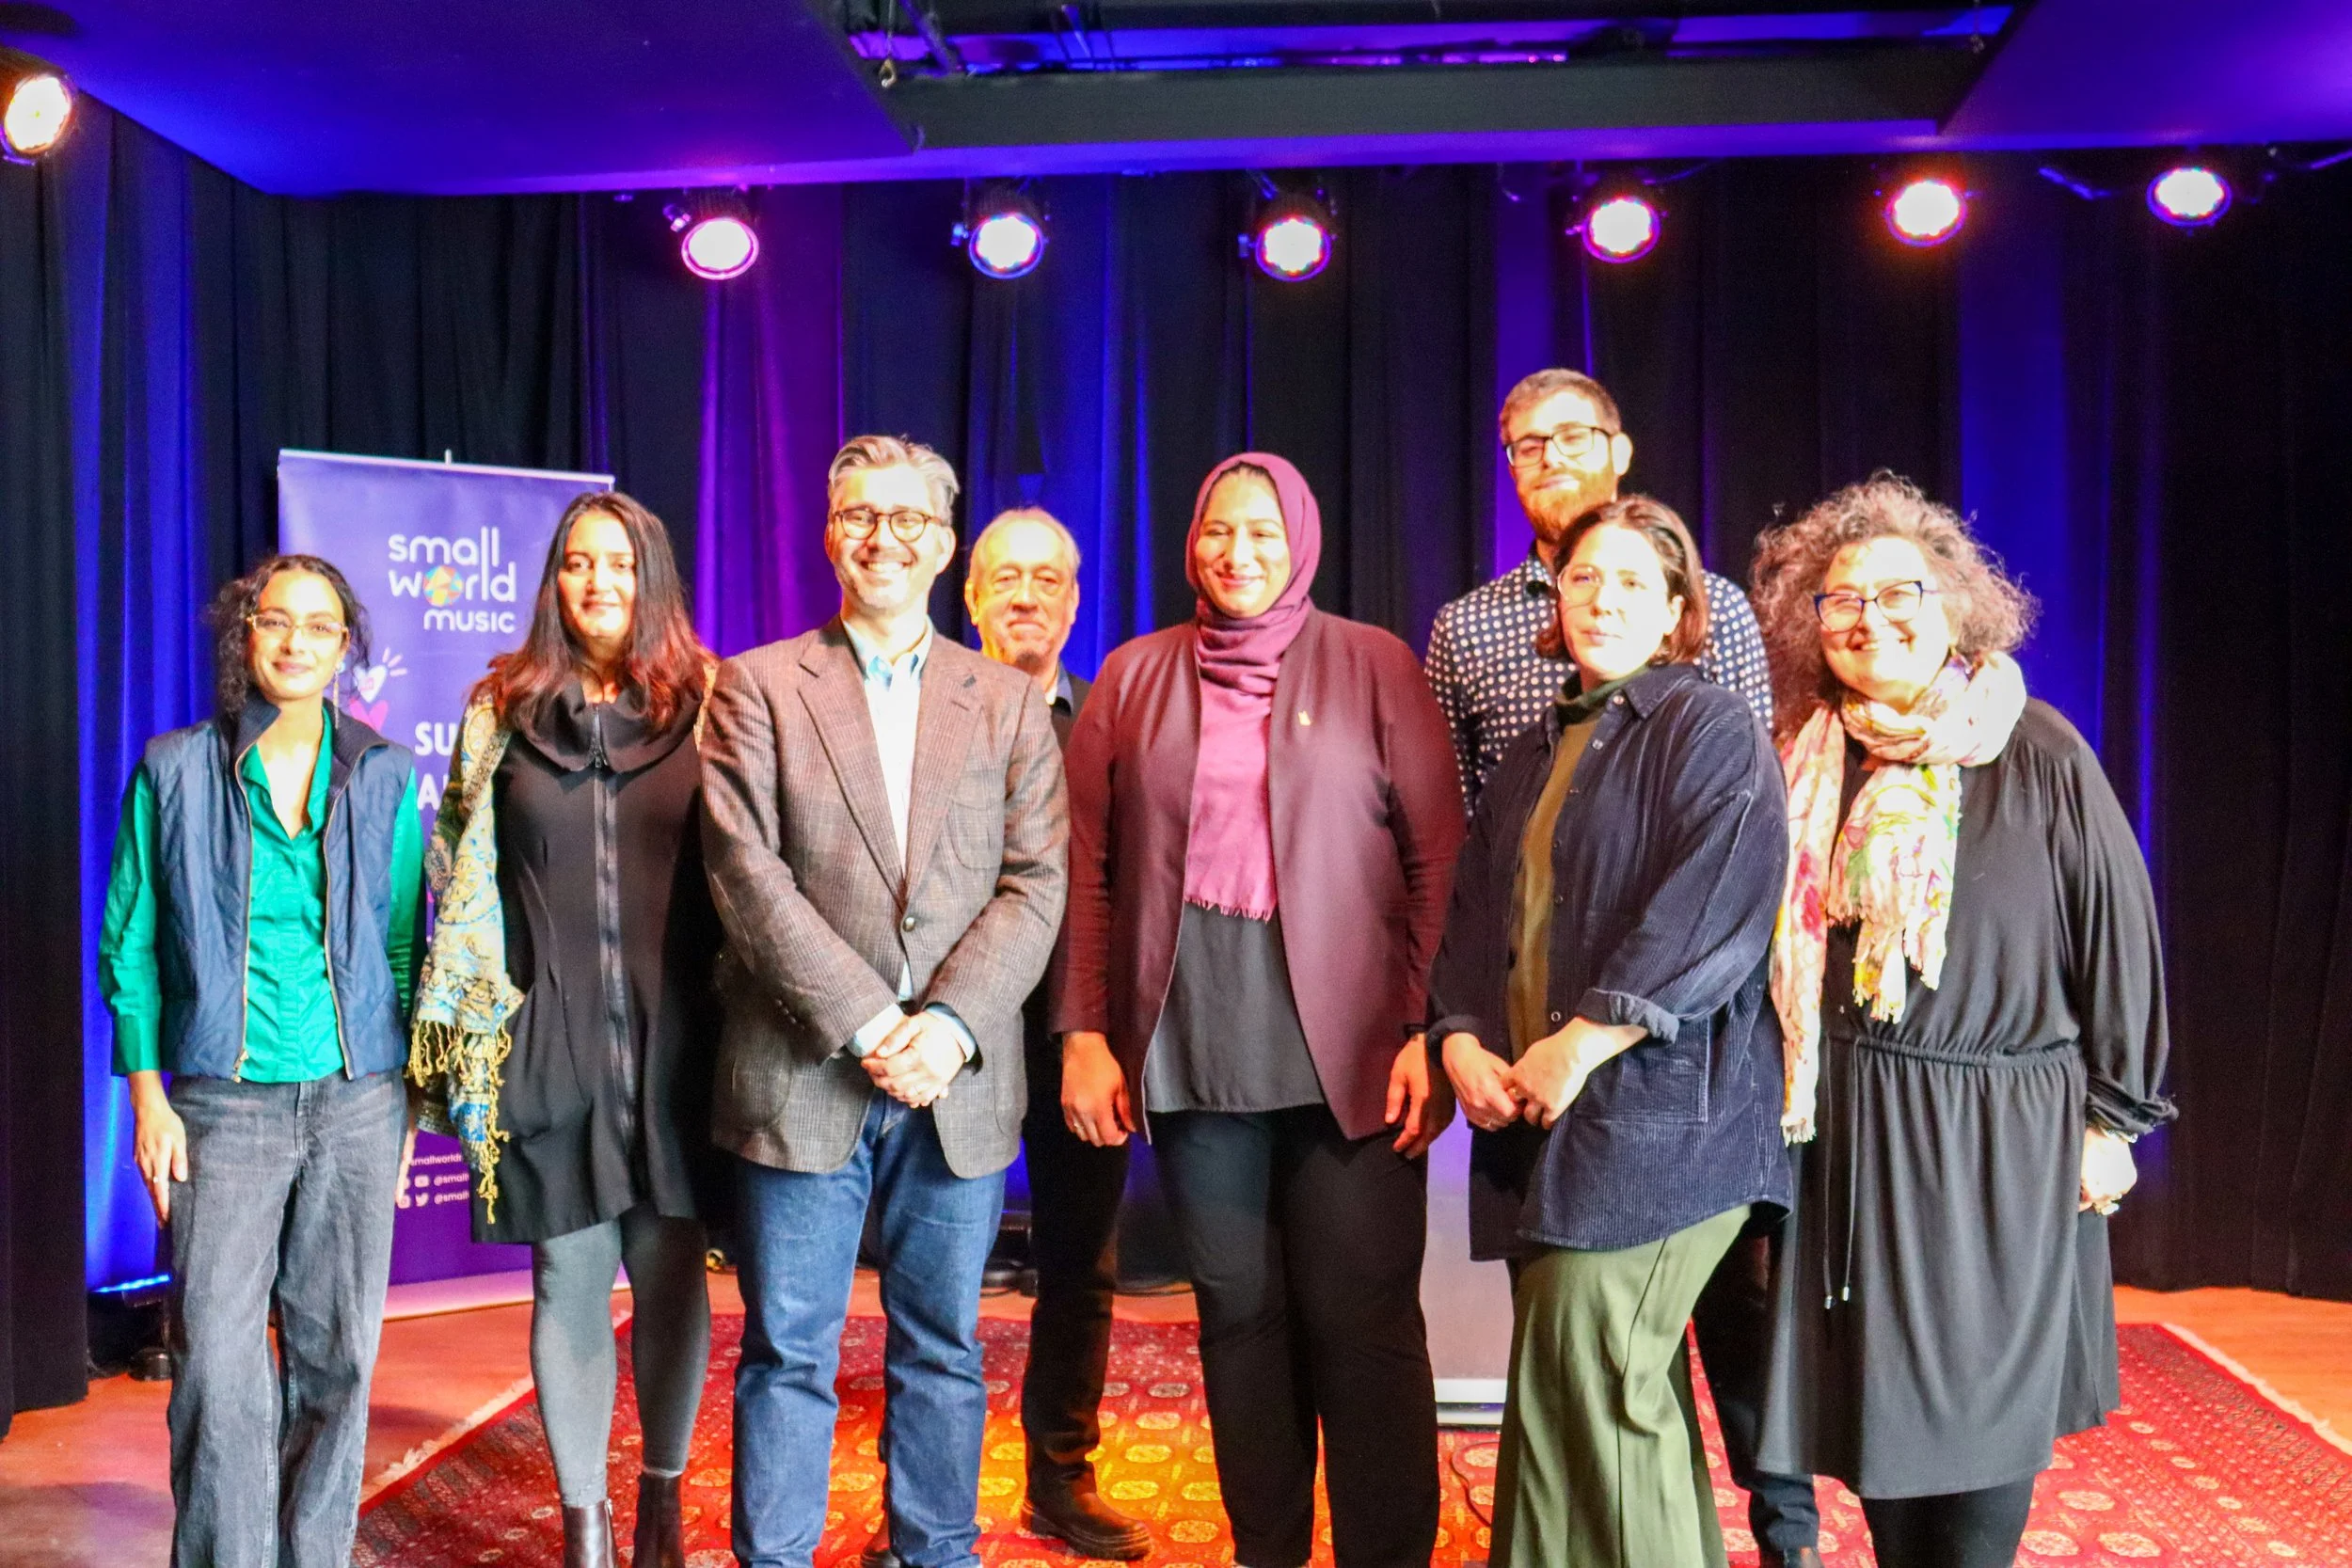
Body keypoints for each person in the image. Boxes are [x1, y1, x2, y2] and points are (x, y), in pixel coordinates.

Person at [1422, 367, 1817, 1568]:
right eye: (1582, 578)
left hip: (1662, 1119)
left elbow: (1711, 909)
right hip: (1541, 1120)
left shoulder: (1709, 725)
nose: (1599, 595)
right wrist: (1456, 1038)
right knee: (1572, 1394)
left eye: (1630, 581)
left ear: (1678, 609)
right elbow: (1476, 906)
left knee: (1598, 1366)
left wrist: (1584, 1036)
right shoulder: (1547, 741)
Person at [1748, 476, 2173, 1568]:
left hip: (2001, 1145)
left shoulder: (2035, 749)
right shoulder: (1807, 756)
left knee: (1983, 1438)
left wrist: (2114, 1120)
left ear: (1954, 605)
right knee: (1881, 1434)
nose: (1867, 618)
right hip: (1853, 1136)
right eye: (1839, 599)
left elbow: (2117, 941)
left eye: (1899, 592)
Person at [1057, 453, 1465, 1568]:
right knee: (1238, 1316)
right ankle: (1268, 1550)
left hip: (1359, 1050)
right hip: (1192, 1045)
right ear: (1190, 541)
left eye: (1262, 535)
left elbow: (1437, 863)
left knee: (1361, 1321)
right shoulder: (1134, 677)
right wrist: (1084, 1032)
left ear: (1302, 543)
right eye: (1217, 534)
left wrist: (1432, 1030)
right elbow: (1085, 869)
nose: (1237, 554)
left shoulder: (1374, 663)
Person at [701, 436, 1069, 1568]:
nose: (882, 537)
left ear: (944, 543)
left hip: (955, 1087)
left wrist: (948, 1028)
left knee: (943, 1349)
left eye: (909, 519)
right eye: (860, 514)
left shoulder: (1006, 701)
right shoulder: (756, 685)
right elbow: (744, 873)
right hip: (801, 1070)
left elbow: (1035, 880)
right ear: (829, 534)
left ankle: (934, 1550)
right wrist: (869, 1023)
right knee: (789, 1350)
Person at [408, 492, 723, 1568]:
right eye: (579, 563)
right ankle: (585, 1528)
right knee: (566, 1279)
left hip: (686, 1049)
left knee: (675, 1276)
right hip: (547, 1047)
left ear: (653, 579)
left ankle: (661, 1513)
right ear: (552, 580)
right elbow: (457, 883)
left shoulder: (711, 702)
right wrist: (469, 1041)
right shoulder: (497, 708)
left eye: (621, 564)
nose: (599, 582)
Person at [99, 555, 424, 1568]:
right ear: (243, 636)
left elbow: (405, 943)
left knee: (338, 1360)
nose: (293, 641)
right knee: (218, 1368)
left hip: (358, 1098)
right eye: (273, 621)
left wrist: (407, 1101)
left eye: (318, 626)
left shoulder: (383, 772)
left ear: (344, 649)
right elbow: (132, 939)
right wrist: (149, 1097)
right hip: (219, 1106)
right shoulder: (174, 768)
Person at [860, 507, 1150, 1568]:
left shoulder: (1111, 721)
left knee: (1082, 1261)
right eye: (1004, 576)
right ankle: (918, 1497)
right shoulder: (917, 707)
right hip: (947, 1038)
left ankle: (1060, 1474)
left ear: (1075, 600)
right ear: (968, 593)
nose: (1026, 594)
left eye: (1048, 578)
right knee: (930, 1278)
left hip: (1077, 1039)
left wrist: (1097, 1031)